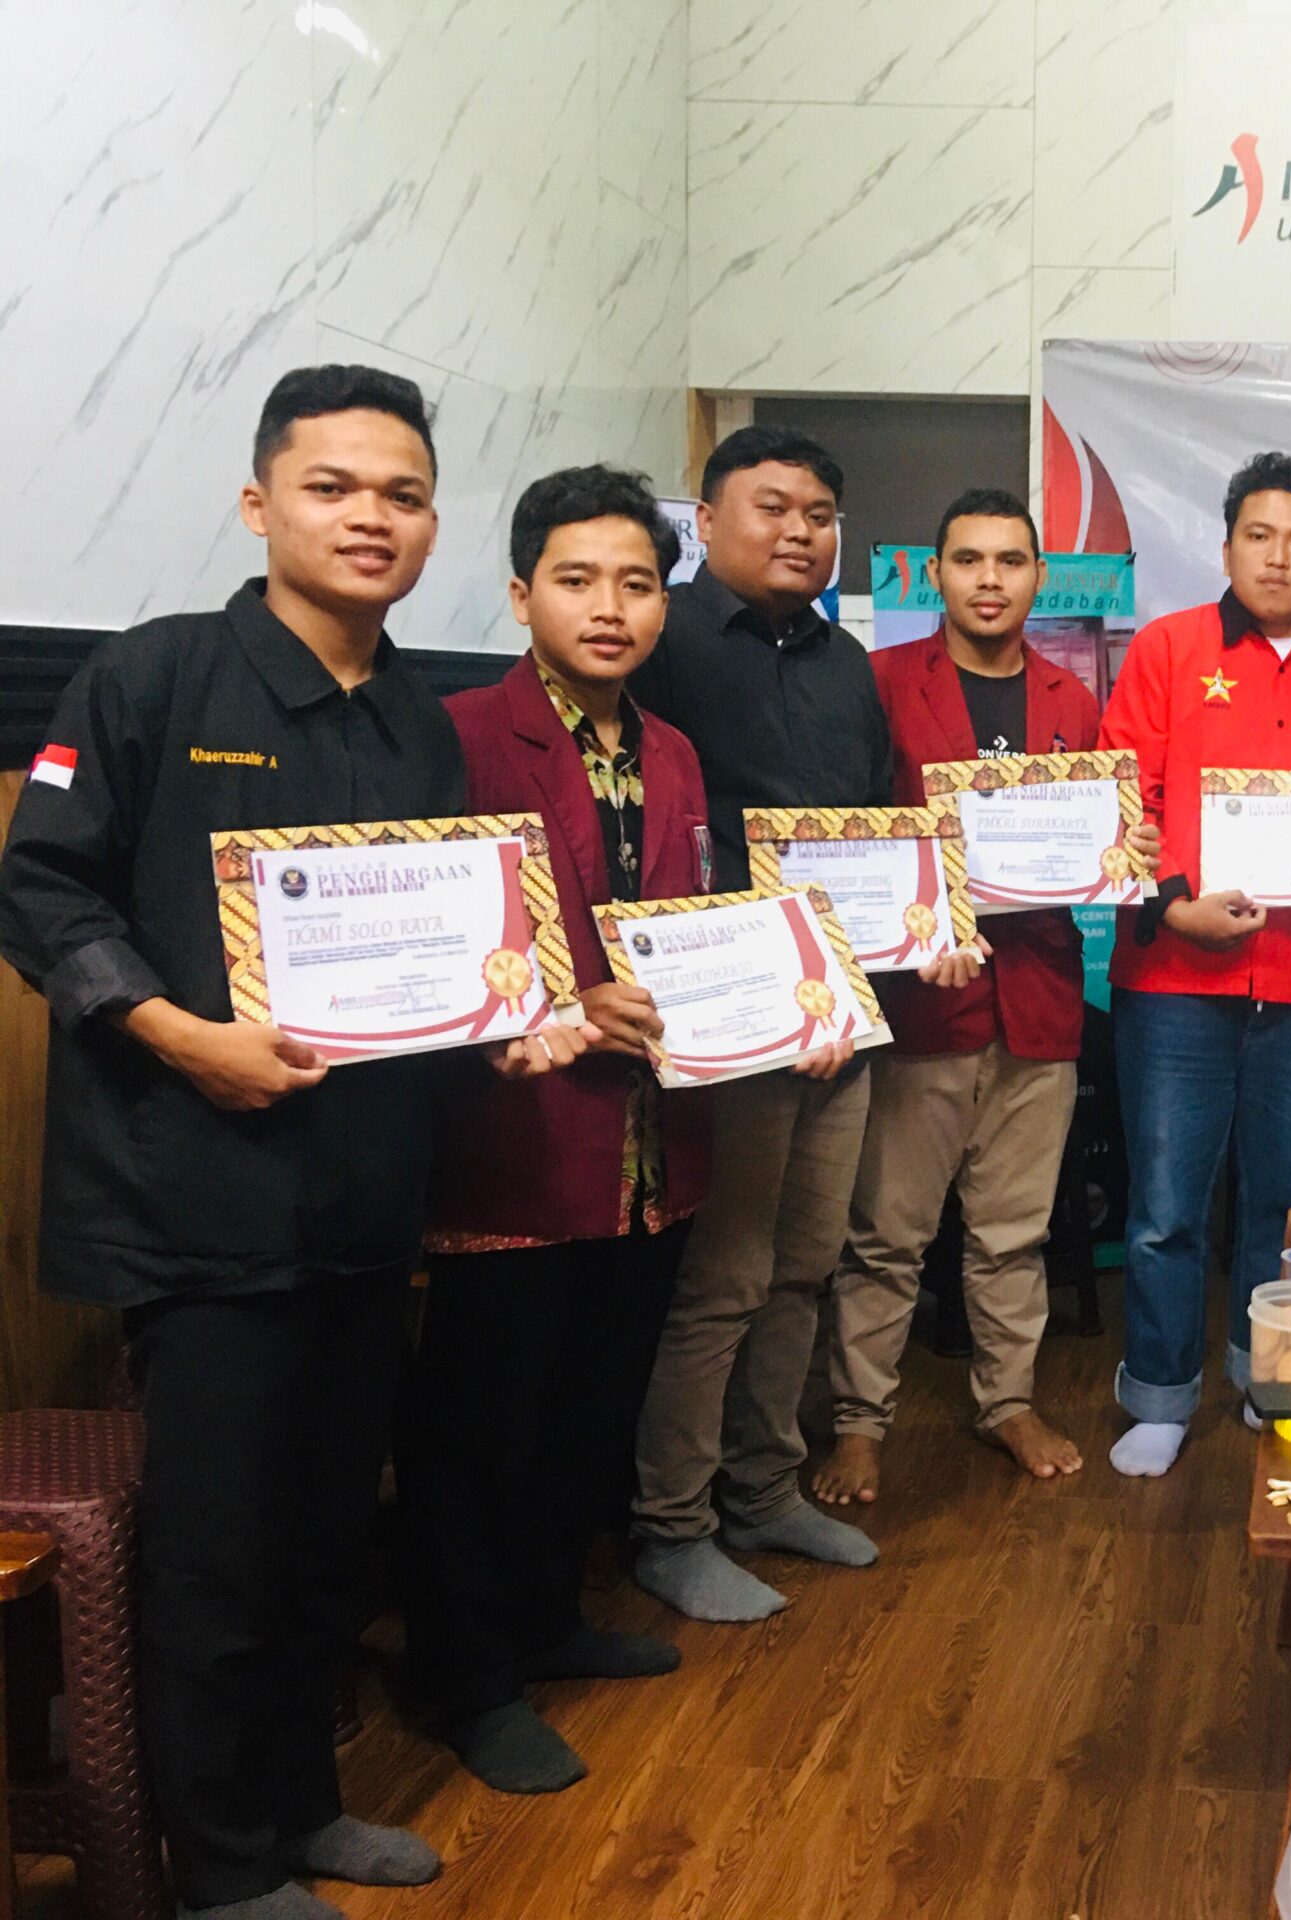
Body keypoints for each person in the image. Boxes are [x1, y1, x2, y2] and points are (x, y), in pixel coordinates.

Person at [0, 366, 592, 1920]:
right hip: (197, 1200)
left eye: (402, 495)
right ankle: (220, 1868)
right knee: (219, 1550)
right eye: (332, 488)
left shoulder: (415, 719)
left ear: (434, 525)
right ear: (261, 503)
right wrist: (174, 1032)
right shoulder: (150, 679)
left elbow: (439, 941)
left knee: (329, 1528)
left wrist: (503, 1019)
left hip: (368, 1195)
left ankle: (303, 1807)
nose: (369, 518)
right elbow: (39, 891)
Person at [622, 425, 980, 1621]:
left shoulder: (845, 663)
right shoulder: (661, 643)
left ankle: (765, 1487)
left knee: (804, 1270)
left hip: (843, 1014)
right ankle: (671, 1523)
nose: (798, 532)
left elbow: (872, 830)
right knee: (722, 1281)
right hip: (722, 1022)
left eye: (819, 515)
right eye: (771, 507)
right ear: (706, 523)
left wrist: (924, 927)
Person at [400, 466, 714, 1795]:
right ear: (521, 592)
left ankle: (545, 1619)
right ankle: (463, 1680)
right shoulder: (457, 735)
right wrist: (560, 1000)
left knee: (592, 1403)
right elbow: (423, 939)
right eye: (577, 581)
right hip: (516, 1140)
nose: (609, 608)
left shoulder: (675, 750)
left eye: (637, 583)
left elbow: (696, 922)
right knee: (481, 1423)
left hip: (653, 1148)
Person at [817, 489, 1159, 1505]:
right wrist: (912, 926)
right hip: (926, 1003)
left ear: (1037, 575)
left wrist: (1124, 848)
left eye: (1010, 561)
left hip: (1039, 1001)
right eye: (968, 560)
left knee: (1013, 1234)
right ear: (936, 574)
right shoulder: (881, 683)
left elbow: (1090, 847)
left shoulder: (1070, 700)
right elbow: (853, 837)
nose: (990, 579)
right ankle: (859, 1423)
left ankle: (1005, 1401)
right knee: (888, 1237)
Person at [1097, 452, 1291, 1478]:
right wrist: (1174, 902)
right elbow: (1125, 799)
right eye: (1259, 537)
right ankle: (1159, 1393)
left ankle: (1267, 1379)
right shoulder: (1167, 650)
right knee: (1166, 1210)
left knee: (1288, 1210)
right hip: (1174, 983)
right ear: (1226, 545)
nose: (1278, 558)